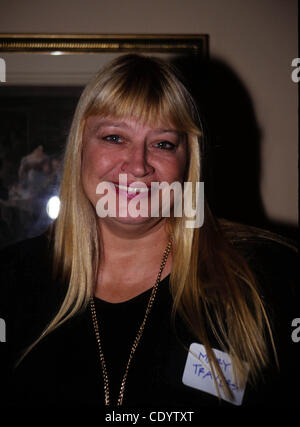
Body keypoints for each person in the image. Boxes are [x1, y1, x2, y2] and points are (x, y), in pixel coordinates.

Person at [0, 54, 298, 410]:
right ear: (80, 148)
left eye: (162, 144)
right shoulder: (9, 280)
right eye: (114, 137)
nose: (138, 165)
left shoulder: (271, 279)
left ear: (188, 160)